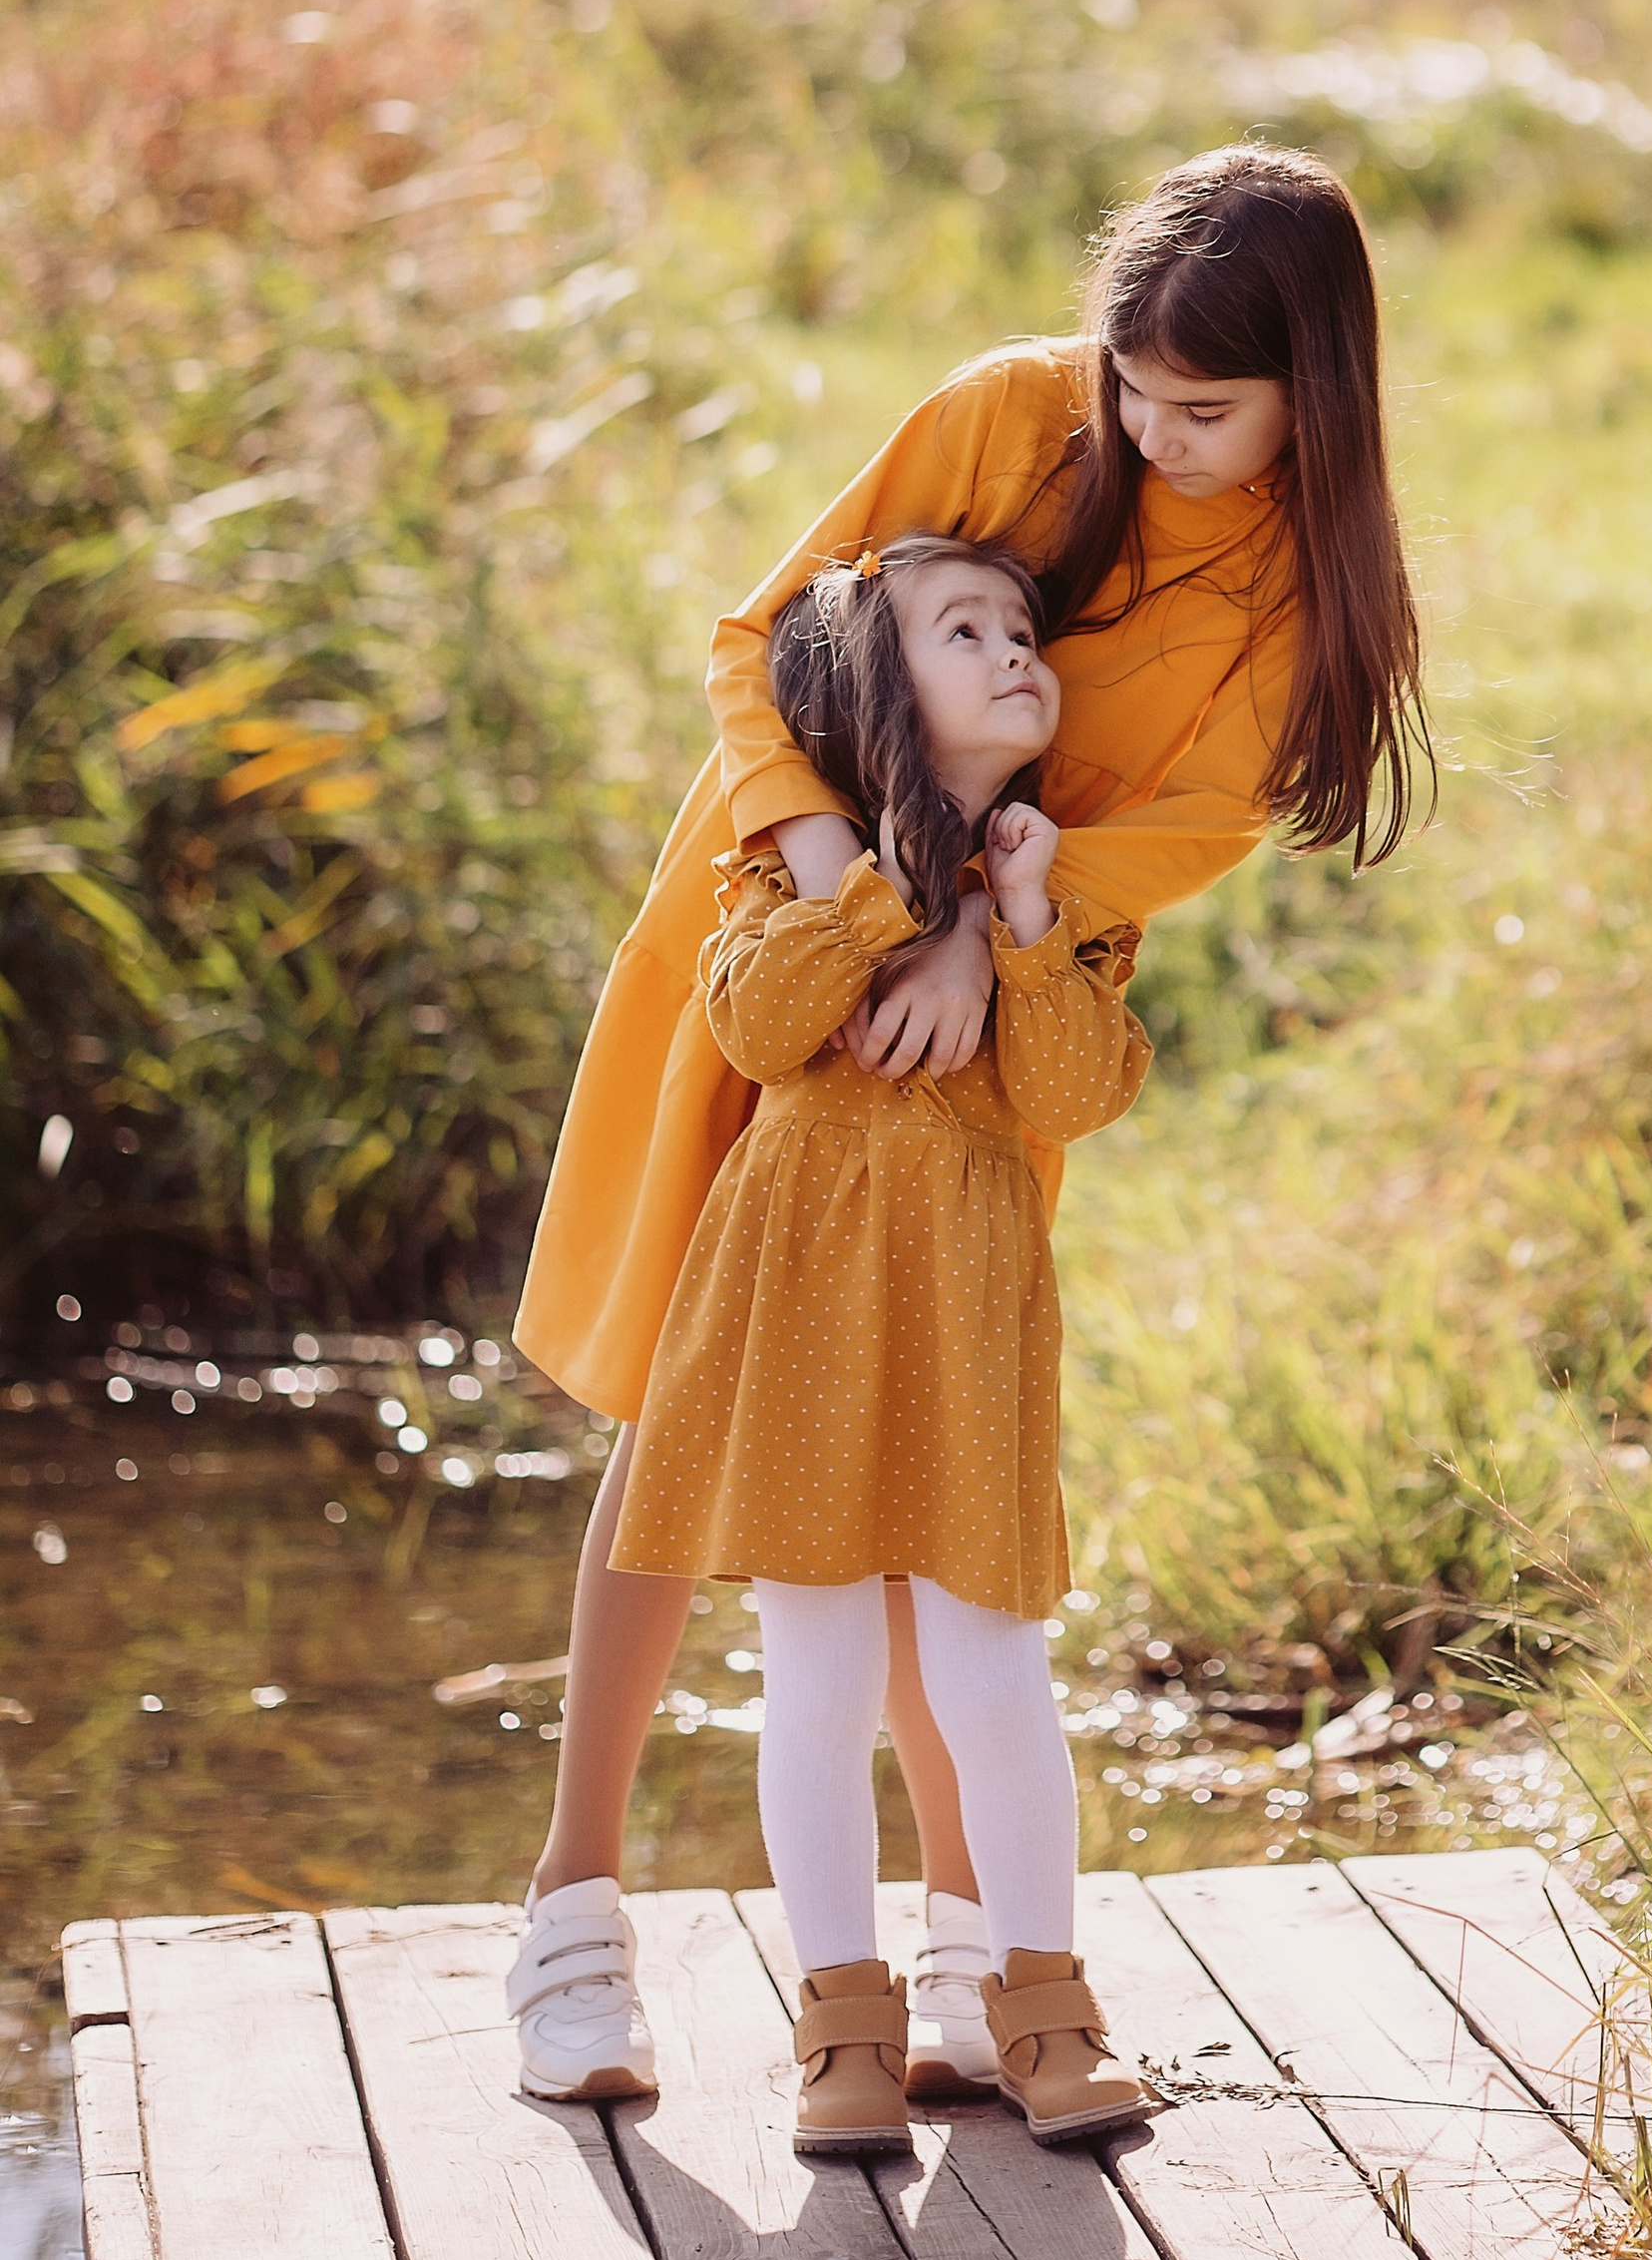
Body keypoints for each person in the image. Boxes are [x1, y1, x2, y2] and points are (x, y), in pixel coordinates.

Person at [504, 145, 1429, 2106]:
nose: (1152, 431)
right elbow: (764, 642)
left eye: (1205, 411)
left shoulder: (1294, 590)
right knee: (689, 1390)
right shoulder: (1010, 413)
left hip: (997, 997)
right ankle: (572, 1915)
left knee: (920, 1434)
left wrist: (992, 933)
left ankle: (955, 1955)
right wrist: (851, 883)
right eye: (1134, 391)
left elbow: (1183, 829)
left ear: (1311, 399)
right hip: (787, 915)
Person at [613, 536, 1151, 2152]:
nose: (1014, 652)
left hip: (965, 1323)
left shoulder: (1057, 893)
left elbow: (1075, 1094)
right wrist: (885, 900)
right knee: (819, 1674)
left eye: (1021, 629)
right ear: (868, 692)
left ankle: (1039, 2002)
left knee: (994, 1668)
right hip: (797, 1322)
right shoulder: (785, 883)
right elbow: (756, 1025)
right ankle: (842, 2024)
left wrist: (1025, 921)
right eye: (963, 631)